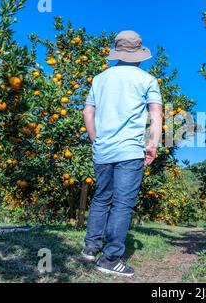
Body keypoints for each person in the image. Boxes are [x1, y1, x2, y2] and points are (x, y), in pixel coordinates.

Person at [80, 31, 163, 277]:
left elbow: (87, 112)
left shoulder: (100, 78)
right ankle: (110, 258)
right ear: (139, 54)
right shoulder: (147, 80)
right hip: (129, 149)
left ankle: (89, 248)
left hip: (103, 149)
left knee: (101, 198)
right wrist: (152, 145)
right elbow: (156, 114)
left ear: (117, 53)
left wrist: (96, 140)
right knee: (122, 204)